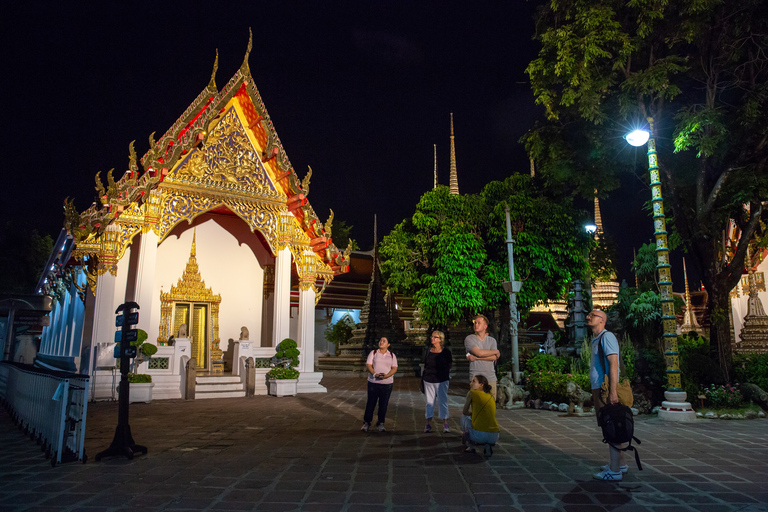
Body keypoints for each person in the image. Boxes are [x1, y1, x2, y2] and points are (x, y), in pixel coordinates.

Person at [588, 309, 627, 481]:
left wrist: (612, 391)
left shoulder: (607, 336)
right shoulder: (596, 339)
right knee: (610, 425)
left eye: (592, 315)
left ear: (602, 320)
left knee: (612, 426)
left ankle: (615, 470)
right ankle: (621, 464)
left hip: (606, 389)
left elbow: (614, 364)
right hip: (599, 388)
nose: (589, 317)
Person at [362, 337, 398, 432]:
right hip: (373, 382)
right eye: (380, 341)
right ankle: (366, 422)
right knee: (371, 402)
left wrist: (387, 376)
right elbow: (368, 365)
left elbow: (394, 368)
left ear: (388, 344)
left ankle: (381, 422)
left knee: (383, 404)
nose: (381, 342)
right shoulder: (373, 353)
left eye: (384, 341)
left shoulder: (391, 355)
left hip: (387, 383)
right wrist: (374, 374)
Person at [422, 330, 453, 433]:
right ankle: (428, 423)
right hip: (429, 379)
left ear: (440, 339)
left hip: (441, 379)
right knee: (429, 402)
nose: (432, 338)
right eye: (432, 336)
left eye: (435, 337)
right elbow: (425, 363)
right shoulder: (428, 350)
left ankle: (445, 423)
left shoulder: (446, 352)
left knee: (442, 401)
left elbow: (449, 364)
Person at [461, 375, 499, 456]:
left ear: (481, 385)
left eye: (474, 381)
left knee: (464, 417)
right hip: (494, 435)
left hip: (479, 435)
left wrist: (471, 414)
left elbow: (464, 411)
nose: (470, 384)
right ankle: (488, 445)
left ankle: (471, 446)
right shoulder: (491, 396)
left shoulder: (472, 393)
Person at [465, 314, 500, 400]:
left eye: (479, 323)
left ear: (485, 326)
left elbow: (494, 358)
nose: (476, 325)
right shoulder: (470, 339)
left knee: (490, 404)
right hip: (476, 377)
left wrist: (476, 358)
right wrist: (495, 351)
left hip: (490, 377)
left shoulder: (492, 341)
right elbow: (479, 352)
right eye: (475, 323)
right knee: (477, 405)